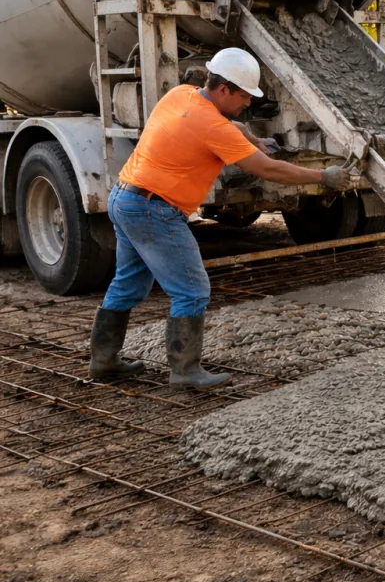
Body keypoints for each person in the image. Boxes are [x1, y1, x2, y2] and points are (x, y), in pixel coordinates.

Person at [89, 48, 355, 390]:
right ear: (224, 89)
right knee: (192, 290)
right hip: (155, 209)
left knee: (128, 284)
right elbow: (268, 169)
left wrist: (254, 139)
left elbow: (235, 125)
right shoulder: (212, 126)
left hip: (125, 198)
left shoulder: (182, 95)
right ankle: (185, 372)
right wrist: (324, 178)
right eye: (244, 95)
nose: (248, 103)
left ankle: (103, 361)